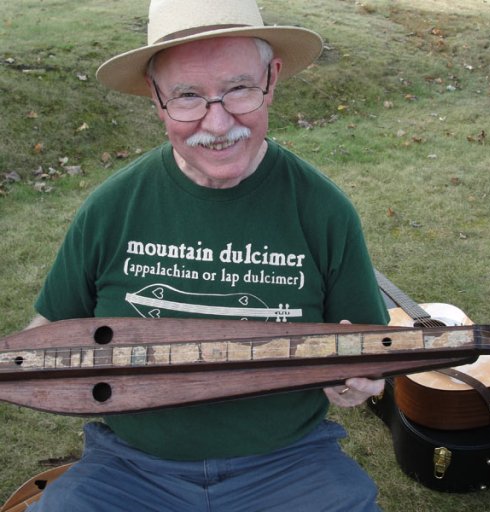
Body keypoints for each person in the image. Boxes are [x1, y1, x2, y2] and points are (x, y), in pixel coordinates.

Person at [26, 0, 389, 510]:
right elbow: (44, 335)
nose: (218, 125)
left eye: (239, 88)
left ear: (272, 77)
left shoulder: (322, 210)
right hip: (132, 466)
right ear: (156, 100)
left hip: (287, 463)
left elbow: (374, 352)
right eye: (188, 96)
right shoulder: (113, 207)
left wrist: (362, 382)